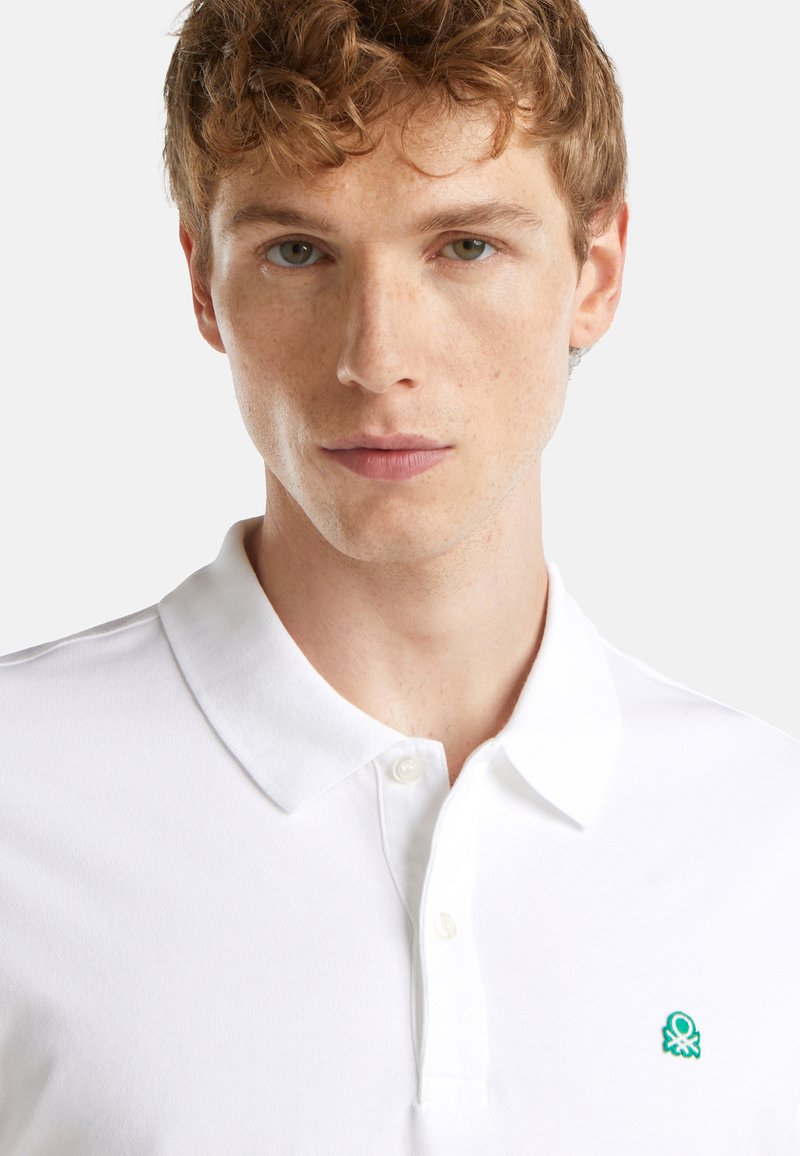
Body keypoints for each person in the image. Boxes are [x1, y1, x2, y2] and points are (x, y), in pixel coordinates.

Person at [1, 0, 798, 1151]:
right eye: (297, 251)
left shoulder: (766, 841)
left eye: (463, 246)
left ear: (595, 272)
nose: (376, 358)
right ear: (202, 282)